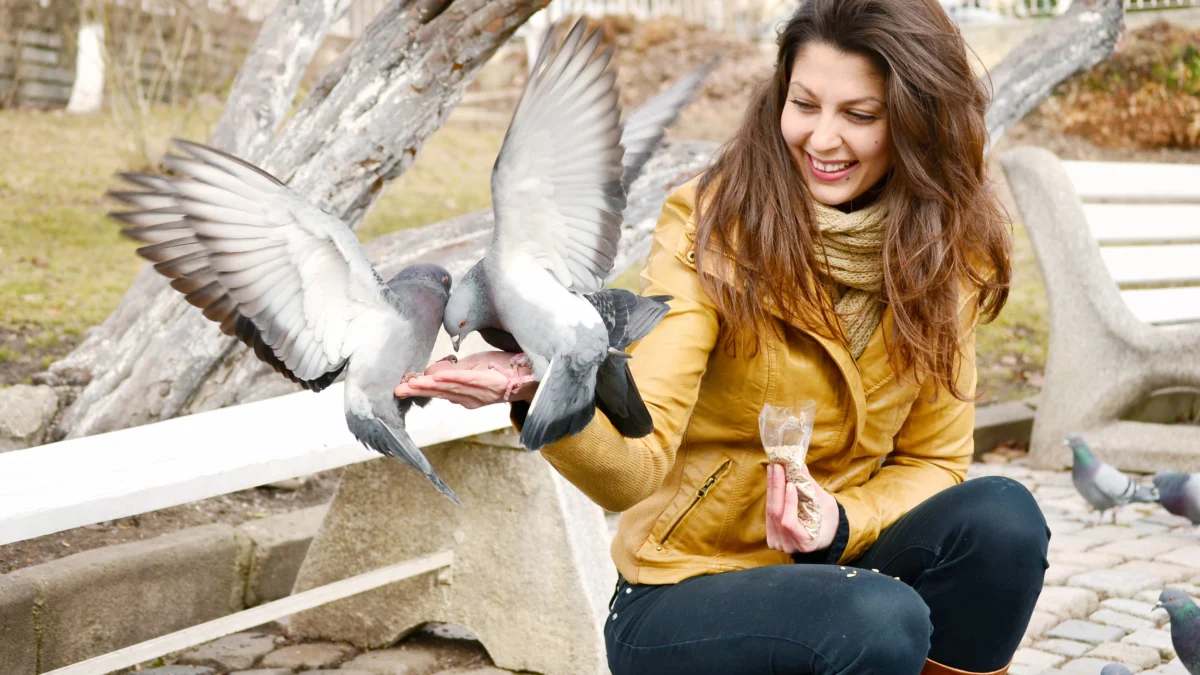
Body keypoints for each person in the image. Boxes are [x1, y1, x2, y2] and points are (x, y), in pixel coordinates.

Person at [395, 0, 1049, 672]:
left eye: (859, 114)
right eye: (805, 104)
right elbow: (635, 458)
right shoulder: (715, 229)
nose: (822, 139)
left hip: (838, 561)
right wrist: (545, 390)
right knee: (879, 617)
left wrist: (840, 520)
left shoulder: (944, 255)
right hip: (684, 591)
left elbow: (933, 463)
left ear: (918, 124)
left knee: (1003, 520)